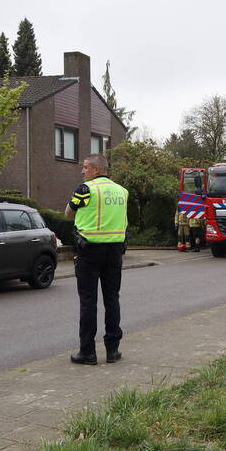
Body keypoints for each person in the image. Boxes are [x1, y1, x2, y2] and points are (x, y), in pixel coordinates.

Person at [64, 153, 129, 365]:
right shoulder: (122, 191)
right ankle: (113, 350)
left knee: (88, 302)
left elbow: (68, 214)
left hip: (89, 252)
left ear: (96, 170)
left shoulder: (85, 190)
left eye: (85, 167)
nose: (82, 171)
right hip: (114, 252)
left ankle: (88, 352)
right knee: (112, 300)